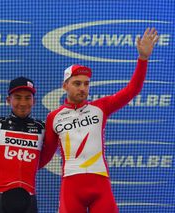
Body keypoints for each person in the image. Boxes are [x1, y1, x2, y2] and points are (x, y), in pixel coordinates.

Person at [38, 28, 159, 213]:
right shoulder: (54, 117)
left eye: (86, 83)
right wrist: (22, 170)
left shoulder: (100, 107)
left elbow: (132, 90)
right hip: (71, 185)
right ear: (65, 86)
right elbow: (46, 155)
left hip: (100, 183)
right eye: (77, 83)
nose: (83, 88)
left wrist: (143, 59)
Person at [0, 77, 45, 213]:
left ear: (34, 101)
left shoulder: (42, 128)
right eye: (17, 97)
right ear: (8, 100)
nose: (23, 103)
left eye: (27, 98)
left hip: (28, 199)